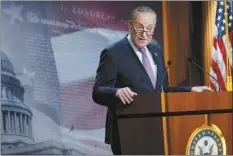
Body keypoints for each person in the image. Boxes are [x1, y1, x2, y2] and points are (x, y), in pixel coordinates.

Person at [92, 6, 212, 155]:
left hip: (156, 130)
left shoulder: (156, 49)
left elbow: (162, 90)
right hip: (127, 132)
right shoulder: (113, 53)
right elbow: (97, 92)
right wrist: (116, 92)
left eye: (149, 29)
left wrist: (191, 90)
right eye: (139, 27)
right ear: (130, 25)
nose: (144, 34)